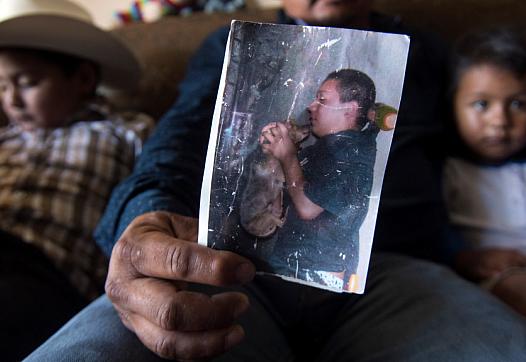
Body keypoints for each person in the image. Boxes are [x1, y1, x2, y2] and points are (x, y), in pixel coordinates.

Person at [26, 1, 526, 361]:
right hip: (235, 270)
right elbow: (170, 149)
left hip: (394, 275)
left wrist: (469, 250)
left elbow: (485, 144)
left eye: (325, 101)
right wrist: (142, 224)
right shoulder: (231, 42)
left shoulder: (430, 53)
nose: (314, 105)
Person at [0, 0, 153, 360]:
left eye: (28, 83)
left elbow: (151, 190)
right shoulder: (5, 139)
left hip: (51, 276)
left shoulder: (126, 131)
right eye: (2, 86)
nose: (11, 101)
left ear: (83, 78)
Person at [260, 69, 377, 290]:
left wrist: (287, 155)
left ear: (350, 109)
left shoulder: (352, 152)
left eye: (322, 100)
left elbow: (308, 207)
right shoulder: (329, 147)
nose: (311, 106)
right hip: (295, 266)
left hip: (315, 275)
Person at [443, 27, 526, 316]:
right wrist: (466, 259)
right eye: (481, 104)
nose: (499, 121)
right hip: (489, 278)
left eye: (518, 104)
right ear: (452, 105)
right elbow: (432, 236)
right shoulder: (449, 170)